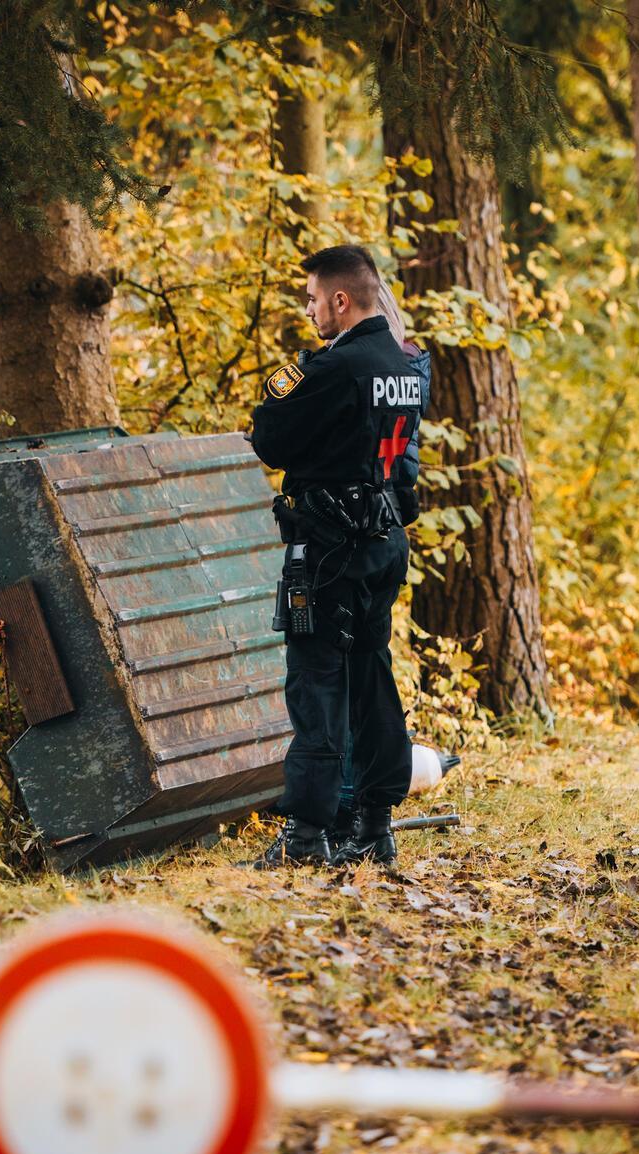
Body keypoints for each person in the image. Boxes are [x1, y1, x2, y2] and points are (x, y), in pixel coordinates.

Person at [249, 244, 424, 868]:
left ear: (341, 300)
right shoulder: (407, 364)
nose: (310, 309)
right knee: (372, 676)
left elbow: (268, 436)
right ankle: (374, 824)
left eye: (313, 299)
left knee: (316, 681)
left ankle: (306, 836)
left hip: (327, 548)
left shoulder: (334, 368)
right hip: (383, 544)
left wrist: (294, 375)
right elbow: (405, 466)